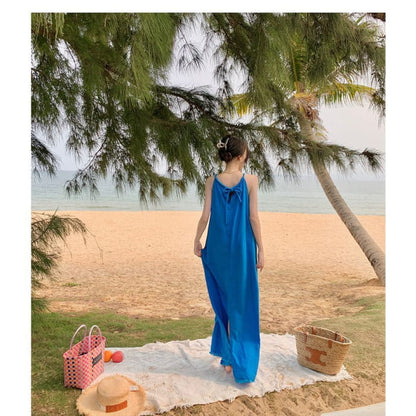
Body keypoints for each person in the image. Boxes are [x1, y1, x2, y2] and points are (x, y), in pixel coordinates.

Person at [193, 134, 264, 384]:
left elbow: (205, 216)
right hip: (241, 249)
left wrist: (197, 239)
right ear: (242, 155)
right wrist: (261, 249)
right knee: (241, 303)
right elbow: (253, 218)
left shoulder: (211, 181)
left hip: (218, 248)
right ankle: (235, 360)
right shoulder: (251, 181)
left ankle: (228, 356)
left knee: (225, 300)